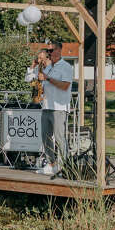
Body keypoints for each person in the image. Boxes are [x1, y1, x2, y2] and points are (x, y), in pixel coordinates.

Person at [36, 42, 73, 176]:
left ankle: (64, 166)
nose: (50, 53)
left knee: (59, 137)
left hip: (59, 107)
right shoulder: (47, 67)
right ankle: (51, 164)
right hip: (46, 106)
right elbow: (42, 83)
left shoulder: (66, 67)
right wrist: (39, 90)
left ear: (60, 50)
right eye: (49, 51)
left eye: (53, 50)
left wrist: (48, 79)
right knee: (45, 137)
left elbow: (65, 86)